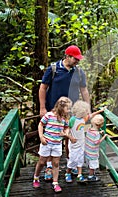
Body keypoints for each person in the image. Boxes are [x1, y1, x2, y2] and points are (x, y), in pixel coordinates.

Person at [39, 45, 90, 181]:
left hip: (72, 111)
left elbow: (84, 90)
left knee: (70, 138)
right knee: (52, 138)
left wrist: (87, 108)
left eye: (78, 59)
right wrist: (42, 108)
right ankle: (49, 167)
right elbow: (43, 88)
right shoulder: (53, 69)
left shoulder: (79, 72)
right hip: (53, 110)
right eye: (75, 58)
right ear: (67, 56)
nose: (77, 61)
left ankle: (70, 163)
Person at [32, 97, 74, 193]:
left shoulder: (64, 118)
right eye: (67, 108)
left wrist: (65, 133)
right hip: (46, 142)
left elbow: (66, 128)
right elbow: (41, 124)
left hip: (57, 144)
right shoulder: (49, 115)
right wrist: (41, 137)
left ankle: (55, 183)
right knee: (42, 162)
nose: (69, 110)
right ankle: (36, 177)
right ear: (61, 107)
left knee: (56, 163)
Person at [65, 100, 105, 183]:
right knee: (72, 159)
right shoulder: (73, 119)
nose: (87, 112)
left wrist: (100, 111)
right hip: (74, 143)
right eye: (86, 111)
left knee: (80, 159)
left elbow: (91, 115)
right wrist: (70, 137)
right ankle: (67, 173)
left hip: (81, 142)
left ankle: (79, 175)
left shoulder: (83, 119)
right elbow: (67, 129)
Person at [85, 114, 107, 181]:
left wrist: (99, 132)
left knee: (90, 163)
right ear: (100, 125)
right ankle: (91, 176)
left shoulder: (89, 129)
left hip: (87, 150)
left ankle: (92, 174)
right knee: (93, 165)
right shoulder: (97, 134)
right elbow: (96, 142)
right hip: (93, 153)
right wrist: (103, 137)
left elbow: (93, 136)